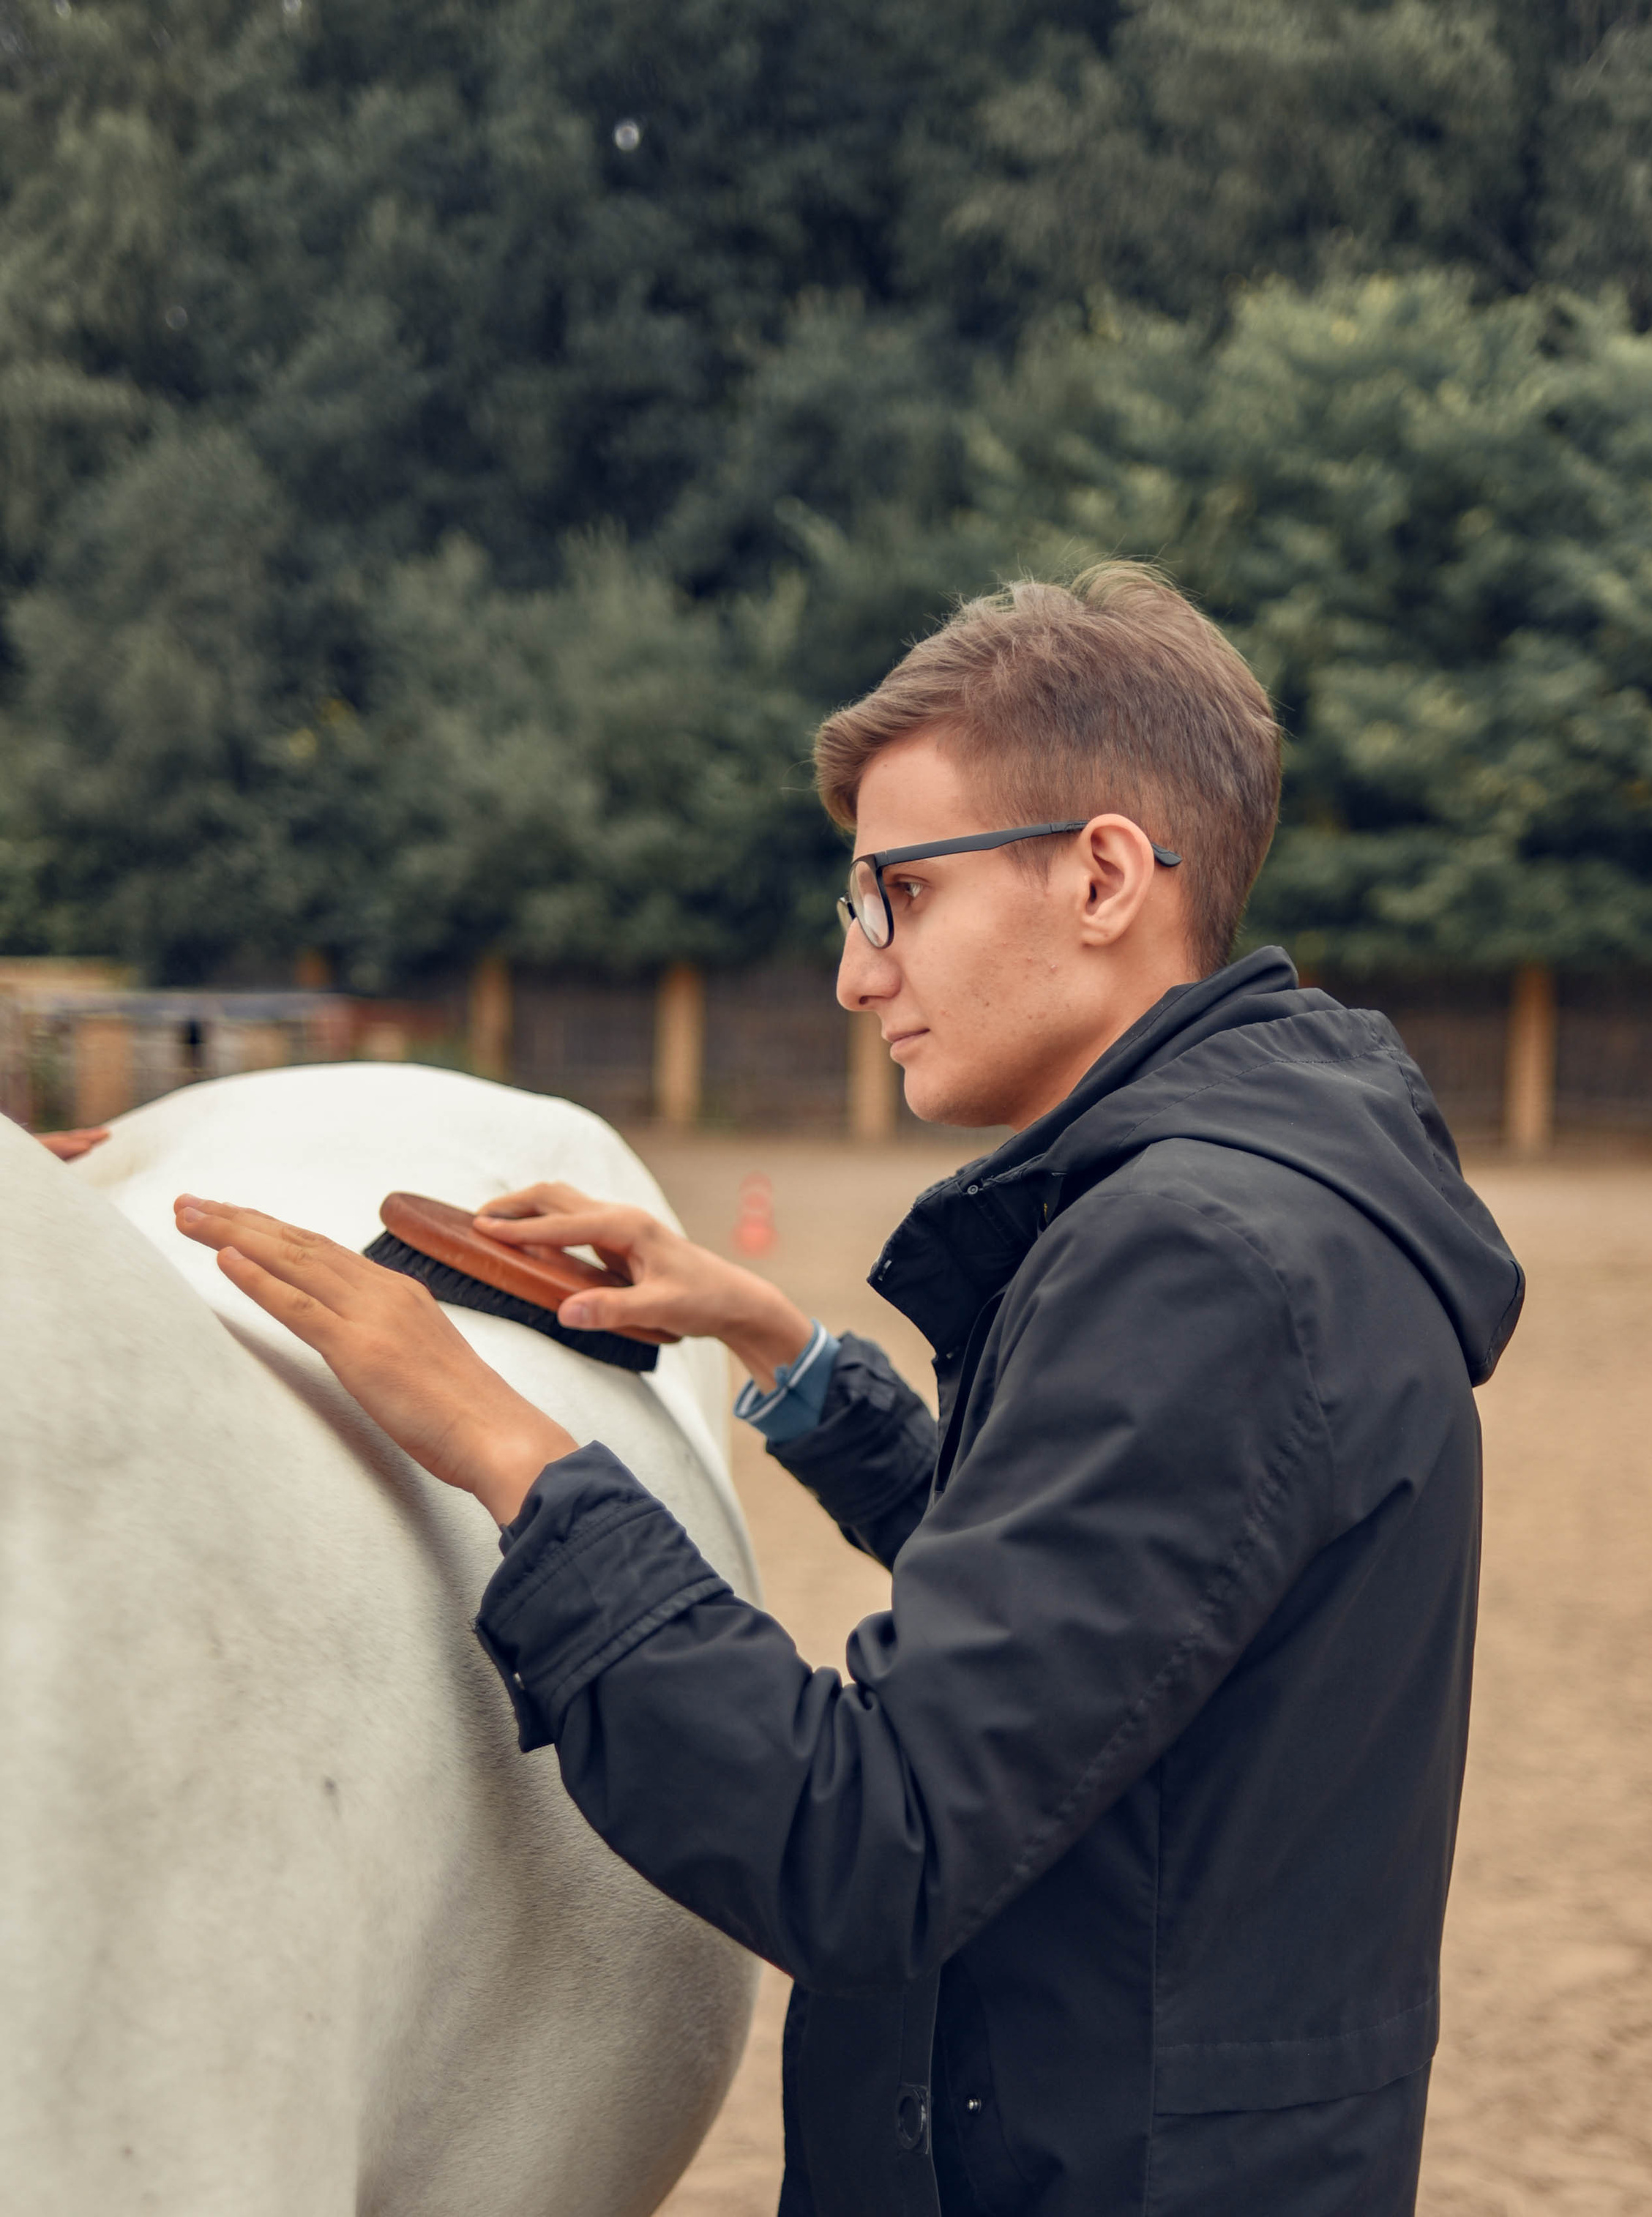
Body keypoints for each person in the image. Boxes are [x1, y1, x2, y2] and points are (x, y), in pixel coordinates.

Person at [175, 563, 1524, 2217]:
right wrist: (774, 1340)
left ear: (1103, 875)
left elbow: (866, 1846)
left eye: (896, 894)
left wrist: (502, 1441)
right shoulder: (1261, 1195)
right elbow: (1104, 1626)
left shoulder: (1197, 1264)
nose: (855, 972)